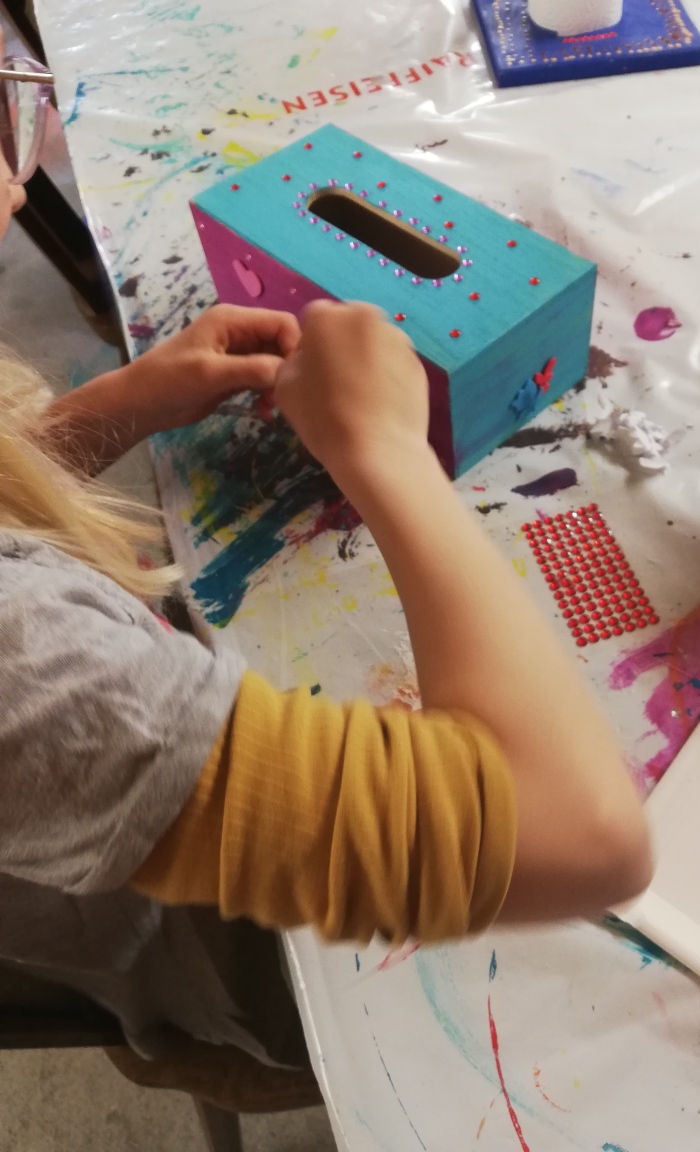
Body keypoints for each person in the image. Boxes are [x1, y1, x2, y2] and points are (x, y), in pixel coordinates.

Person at [0, 60, 651, 1070]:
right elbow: (578, 836)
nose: (17, 176)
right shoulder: (37, 672)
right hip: (215, 930)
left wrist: (109, 411)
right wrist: (385, 452)